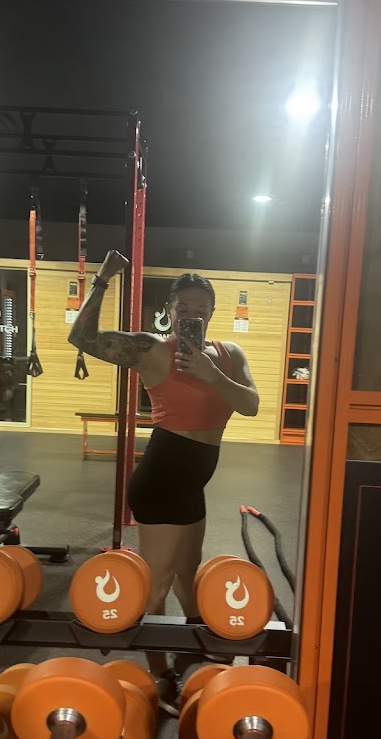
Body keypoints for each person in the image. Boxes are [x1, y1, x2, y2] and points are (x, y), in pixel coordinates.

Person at [69, 250, 259, 702]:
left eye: (200, 307)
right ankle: (160, 672)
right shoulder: (152, 350)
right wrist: (102, 279)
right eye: (183, 306)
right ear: (169, 310)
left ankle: (195, 640)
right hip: (162, 480)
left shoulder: (229, 355)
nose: (192, 313)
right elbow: (82, 336)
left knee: (188, 573)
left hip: (192, 484)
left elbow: (250, 405)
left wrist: (212, 375)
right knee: (157, 586)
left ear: (212, 312)